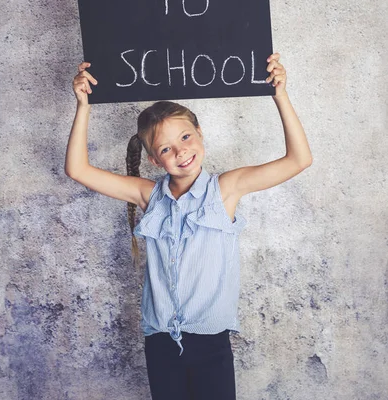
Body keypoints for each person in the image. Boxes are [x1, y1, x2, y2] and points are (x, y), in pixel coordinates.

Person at [65, 52, 312, 400]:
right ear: (154, 159)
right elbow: (77, 170)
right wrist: (84, 106)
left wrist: (280, 95)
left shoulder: (226, 190)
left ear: (199, 133)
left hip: (211, 345)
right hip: (161, 343)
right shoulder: (148, 196)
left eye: (185, 138)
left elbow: (300, 159)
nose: (180, 152)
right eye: (165, 148)